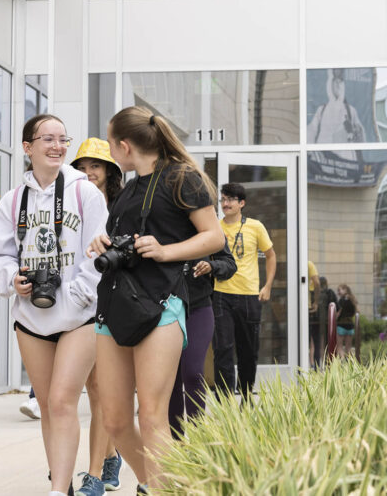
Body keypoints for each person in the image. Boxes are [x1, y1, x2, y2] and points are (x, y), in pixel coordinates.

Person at [88, 106, 224, 492]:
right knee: (115, 420)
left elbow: (215, 236)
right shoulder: (129, 189)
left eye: (110, 144)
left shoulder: (181, 178)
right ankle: (162, 485)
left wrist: (166, 251)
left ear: (125, 145)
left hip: (162, 304)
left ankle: (162, 490)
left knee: (151, 416)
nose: (110, 153)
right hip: (116, 305)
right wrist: (104, 242)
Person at [0, 115, 107, 496]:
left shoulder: (86, 194)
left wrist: (78, 294)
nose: (57, 146)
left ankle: (57, 490)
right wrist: (12, 279)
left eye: (62, 139)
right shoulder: (12, 201)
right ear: (28, 147)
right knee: (50, 408)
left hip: (79, 316)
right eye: (48, 139)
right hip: (31, 318)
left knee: (61, 400)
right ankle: (61, 483)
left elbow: (99, 252)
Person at [71, 138, 124, 496]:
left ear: (109, 171)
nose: (89, 172)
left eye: (96, 166)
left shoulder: (121, 206)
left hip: (114, 302)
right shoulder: (71, 203)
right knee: (92, 387)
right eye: (83, 167)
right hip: (80, 304)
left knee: (103, 388)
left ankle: (94, 475)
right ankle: (111, 455)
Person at [212, 182, 276, 400]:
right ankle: (225, 403)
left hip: (249, 296)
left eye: (230, 199)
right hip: (220, 294)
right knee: (222, 350)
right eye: (223, 199)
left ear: (242, 203)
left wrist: (267, 286)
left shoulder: (255, 227)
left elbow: (271, 255)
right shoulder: (215, 227)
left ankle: (247, 398)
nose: (225, 203)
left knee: (248, 351)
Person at [168, 239, 236, 438]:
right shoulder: (160, 223)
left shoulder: (206, 228)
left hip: (199, 306)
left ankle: (198, 438)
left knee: (192, 372)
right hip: (165, 308)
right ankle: (176, 442)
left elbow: (229, 264)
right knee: (170, 378)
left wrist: (212, 266)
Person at [307, 68, 366, 145]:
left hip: (345, 152)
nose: (338, 84)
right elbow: (310, 132)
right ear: (329, 84)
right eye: (335, 81)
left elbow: (361, 138)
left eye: (340, 81)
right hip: (324, 151)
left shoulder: (351, 111)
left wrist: (353, 130)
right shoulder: (321, 110)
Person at [335, 284, 358, 359]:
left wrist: (334, 318)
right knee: (348, 347)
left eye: (339, 290)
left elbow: (338, 312)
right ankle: (349, 362)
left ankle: (342, 360)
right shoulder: (352, 300)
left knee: (339, 346)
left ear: (345, 290)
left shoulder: (341, 300)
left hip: (341, 324)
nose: (338, 292)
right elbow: (355, 312)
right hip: (350, 325)